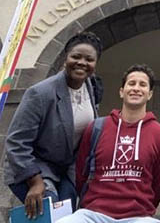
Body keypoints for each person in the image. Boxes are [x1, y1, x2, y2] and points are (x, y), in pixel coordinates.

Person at [58, 64, 160, 223]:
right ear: (121, 91)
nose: (136, 88)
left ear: (150, 94)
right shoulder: (96, 128)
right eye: (131, 83)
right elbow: (81, 173)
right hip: (93, 214)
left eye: (142, 85)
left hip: (138, 217)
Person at [5, 31, 103, 219]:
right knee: (48, 212)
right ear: (65, 59)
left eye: (89, 59)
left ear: (95, 64)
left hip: (68, 169)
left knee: (70, 215)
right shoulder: (40, 94)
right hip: (35, 166)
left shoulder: (90, 86)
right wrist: (34, 181)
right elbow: (17, 142)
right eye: (76, 56)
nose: (82, 62)